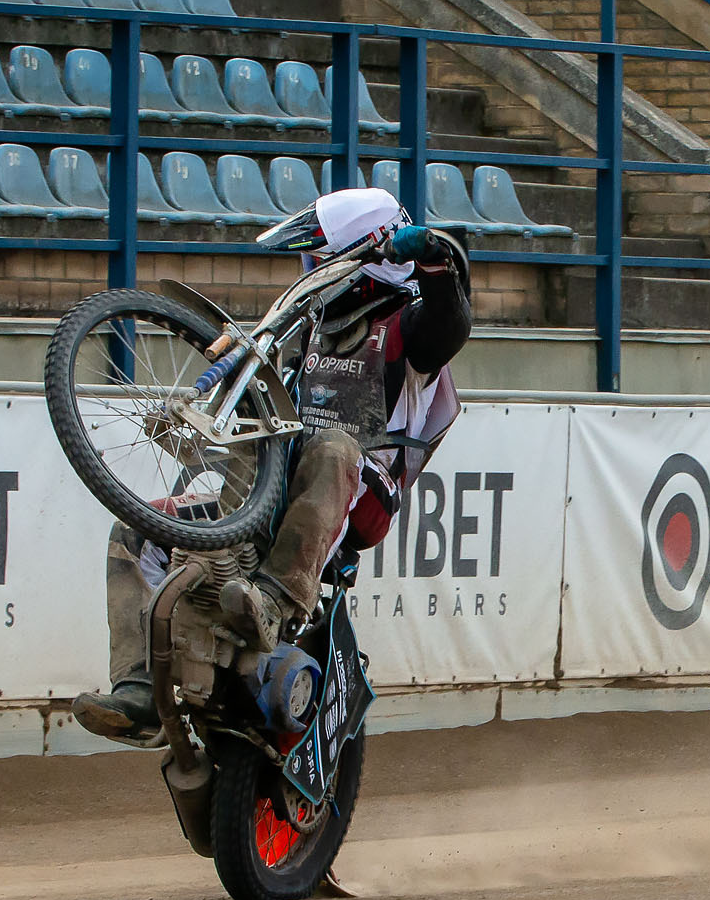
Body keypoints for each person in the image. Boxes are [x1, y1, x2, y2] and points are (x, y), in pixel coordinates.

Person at [71, 191, 473, 741]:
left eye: (317, 259)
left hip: (357, 487)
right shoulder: (303, 327)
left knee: (333, 446)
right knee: (139, 529)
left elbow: (451, 318)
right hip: (274, 484)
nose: (307, 270)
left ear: (359, 259)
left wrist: (431, 253)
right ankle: (139, 688)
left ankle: (275, 600)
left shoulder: (409, 326)